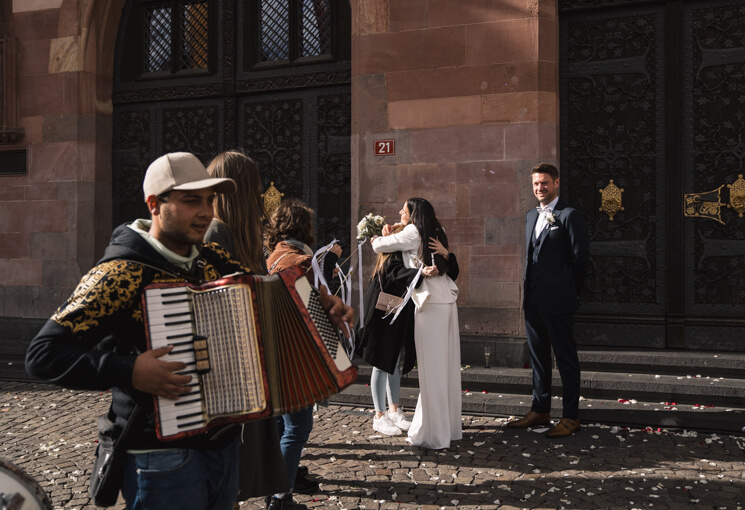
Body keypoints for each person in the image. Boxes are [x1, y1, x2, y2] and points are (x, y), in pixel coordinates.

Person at [24, 152, 354, 510]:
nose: (205, 211)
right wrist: (131, 370)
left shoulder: (213, 259)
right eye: (191, 200)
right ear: (154, 204)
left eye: (210, 200)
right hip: (159, 456)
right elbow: (43, 355)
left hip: (224, 447)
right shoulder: (120, 273)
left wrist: (319, 309)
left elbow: (268, 302)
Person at [204, 151, 289, 504]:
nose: (259, 195)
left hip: (247, 368)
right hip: (228, 375)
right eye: (254, 186)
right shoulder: (215, 233)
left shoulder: (242, 235)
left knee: (238, 469)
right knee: (227, 471)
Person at [263, 198, 339, 510]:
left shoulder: (272, 257)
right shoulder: (301, 262)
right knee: (297, 428)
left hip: (273, 350)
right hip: (295, 355)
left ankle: (274, 488)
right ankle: (280, 499)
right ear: (304, 228)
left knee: (282, 424)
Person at [506, 163, 589, 438]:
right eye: (535, 184)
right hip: (533, 300)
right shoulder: (531, 215)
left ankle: (570, 416)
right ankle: (540, 408)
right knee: (538, 358)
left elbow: (580, 261)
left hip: (559, 300)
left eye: (544, 183)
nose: (539, 188)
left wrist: (569, 292)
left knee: (565, 359)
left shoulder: (569, 216)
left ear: (556, 183)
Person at [371, 198, 462, 450]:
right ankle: (448, 427)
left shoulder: (413, 231)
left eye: (404, 209)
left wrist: (382, 234)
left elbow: (378, 246)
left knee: (431, 369)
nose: (400, 211)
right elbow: (447, 266)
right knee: (446, 365)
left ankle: (430, 431)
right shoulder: (438, 230)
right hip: (446, 299)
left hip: (428, 302)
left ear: (414, 214)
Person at [356, 225, 421, 436]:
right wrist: (422, 272)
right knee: (381, 361)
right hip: (384, 309)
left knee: (393, 359)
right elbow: (396, 273)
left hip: (396, 308)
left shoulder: (397, 253)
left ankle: (394, 410)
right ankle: (379, 415)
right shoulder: (389, 257)